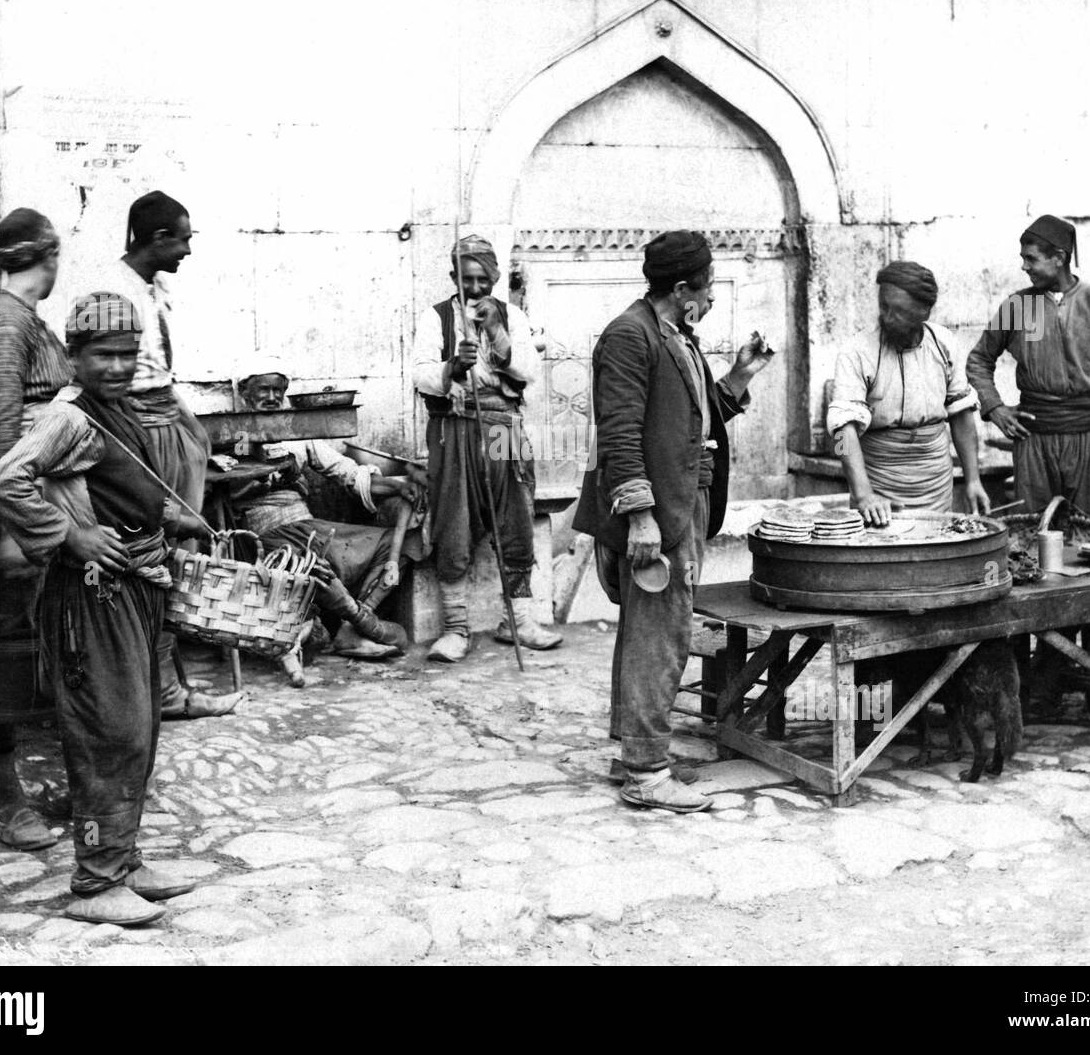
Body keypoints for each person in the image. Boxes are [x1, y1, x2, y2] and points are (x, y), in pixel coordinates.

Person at [0, 291, 208, 926]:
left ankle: (124, 860)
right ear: (74, 355)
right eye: (103, 354)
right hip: (90, 594)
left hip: (135, 585)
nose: (117, 365)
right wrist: (68, 535)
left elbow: (127, 485)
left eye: (127, 354)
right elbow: (3, 481)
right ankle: (93, 877)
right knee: (105, 732)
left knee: (139, 731)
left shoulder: (121, 409)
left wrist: (174, 518)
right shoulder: (69, 417)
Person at [574, 231, 771, 813]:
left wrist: (740, 378)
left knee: (655, 633)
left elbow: (694, 415)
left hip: (683, 506)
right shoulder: (628, 337)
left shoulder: (674, 333)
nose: (711, 301)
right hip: (659, 516)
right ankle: (645, 770)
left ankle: (638, 750)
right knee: (660, 636)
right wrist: (640, 517)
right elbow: (619, 433)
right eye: (707, 288)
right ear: (683, 288)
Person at [966, 214, 1090, 703]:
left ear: (1059, 258)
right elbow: (979, 360)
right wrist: (995, 408)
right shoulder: (1019, 308)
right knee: (1030, 550)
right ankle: (1034, 673)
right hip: (1035, 441)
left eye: (1032, 258)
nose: (1024, 267)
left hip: (1089, 439)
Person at [95, 190, 238, 719]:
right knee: (149, 559)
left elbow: (161, 375)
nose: (188, 250)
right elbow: (111, 382)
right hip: (137, 431)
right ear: (157, 238)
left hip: (164, 419)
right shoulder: (113, 291)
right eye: (183, 238)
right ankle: (151, 694)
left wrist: (190, 428)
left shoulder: (154, 286)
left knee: (171, 558)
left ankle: (166, 692)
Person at [0, 208, 71, 851]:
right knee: (3, 645)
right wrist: (26, 521)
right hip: (15, 493)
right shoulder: (5, 325)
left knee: (42, 637)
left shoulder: (21, 320)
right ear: (48, 256)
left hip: (38, 487)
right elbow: (2, 430)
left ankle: (43, 781)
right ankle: (3, 796)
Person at [412, 235, 561, 662]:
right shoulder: (435, 318)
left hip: (502, 427)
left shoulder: (512, 314)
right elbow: (420, 374)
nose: (474, 288)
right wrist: (451, 367)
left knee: (514, 515)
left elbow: (530, 371)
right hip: (454, 428)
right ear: (453, 277)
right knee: (452, 520)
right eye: (466, 279)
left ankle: (518, 618)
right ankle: (456, 628)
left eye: (482, 279)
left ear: (494, 278)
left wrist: (497, 333)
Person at [229, 357, 423, 664]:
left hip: (306, 526)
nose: (271, 398)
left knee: (400, 543)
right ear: (244, 392)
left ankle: (351, 628)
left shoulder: (296, 433)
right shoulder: (236, 433)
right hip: (266, 535)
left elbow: (348, 472)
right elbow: (232, 484)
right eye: (263, 389)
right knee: (308, 562)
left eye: (278, 390)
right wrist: (274, 475)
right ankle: (362, 626)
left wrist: (398, 487)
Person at [828, 260, 990, 521]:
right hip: (878, 482)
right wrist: (863, 494)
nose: (888, 318)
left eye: (900, 311)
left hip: (935, 481)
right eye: (884, 307)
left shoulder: (944, 343)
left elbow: (961, 414)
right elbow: (841, 430)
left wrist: (973, 480)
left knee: (935, 553)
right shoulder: (857, 351)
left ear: (924, 311)